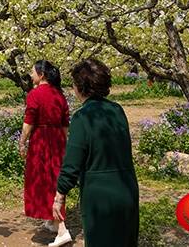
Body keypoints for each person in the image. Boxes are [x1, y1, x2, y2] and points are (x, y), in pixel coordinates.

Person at [53, 58, 138, 247]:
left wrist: (60, 196)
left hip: (100, 196)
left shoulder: (82, 118)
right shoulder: (117, 110)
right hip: (127, 189)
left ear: (79, 87)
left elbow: (72, 163)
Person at [18, 60, 71, 247]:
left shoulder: (35, 94)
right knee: (55, 178)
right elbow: (65, 124)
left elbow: (29, 121)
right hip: (57, 140)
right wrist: (65, 145)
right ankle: (51, 220)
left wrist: (22, 142)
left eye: (33, 72)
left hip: (41, 140)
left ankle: (62, 229)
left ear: (41, 75)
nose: (30, 75)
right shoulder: (60, 95)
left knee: (45, 181)